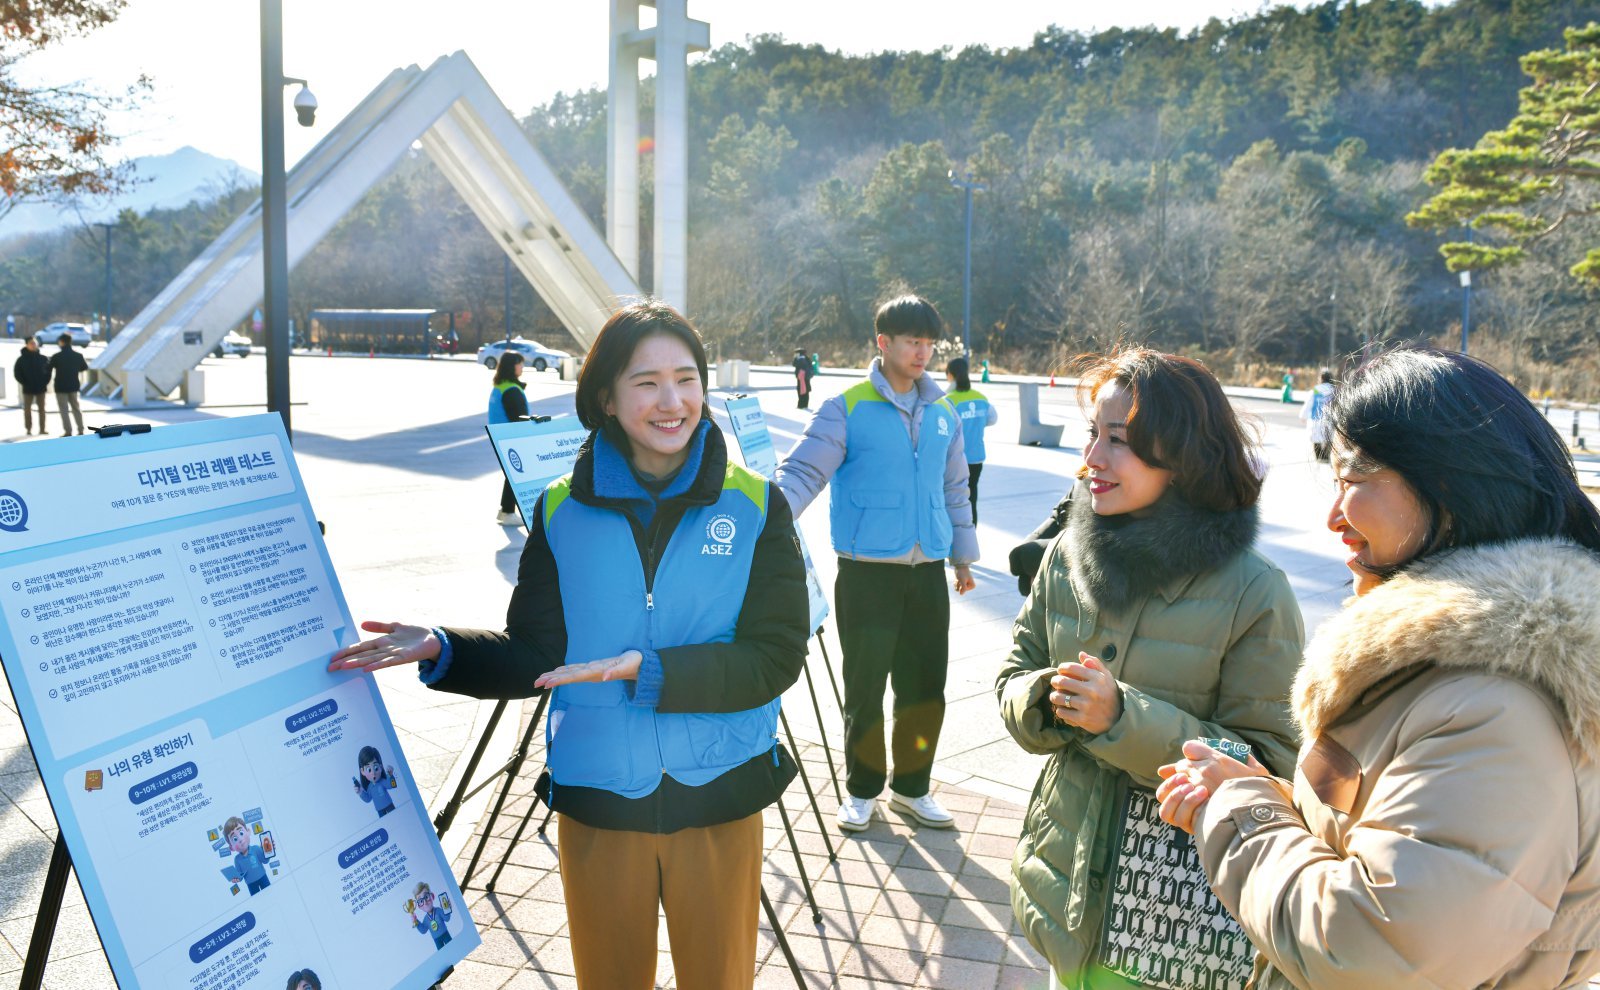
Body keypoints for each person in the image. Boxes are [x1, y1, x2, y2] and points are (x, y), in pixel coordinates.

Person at [328, 301, 808, 990]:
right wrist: (441, 648)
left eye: (686, 378)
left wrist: (655, 673)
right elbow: (535, 654)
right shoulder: (559, 508)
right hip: (599, 799)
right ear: (606, 397)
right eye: (646, 382)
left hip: (719, 797)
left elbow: (776, 656)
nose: (671, 401)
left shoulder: (757, 504)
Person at [1157, 347, 1600, 990]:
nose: (1334, 516)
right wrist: (1271, 800)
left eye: (1353, 478)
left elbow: (1366, 950)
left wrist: (1238, 807)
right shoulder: (1454, 668)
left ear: (1449, 482)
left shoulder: (1495, 707)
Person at [995, 348, 1304, 987]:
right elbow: (1012, 675)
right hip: (1065, 886)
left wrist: (1122, 718)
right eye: (1093, 435)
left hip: (1172, 915)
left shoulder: (1256, 594)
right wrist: (1045, 697)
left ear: (1183, 457)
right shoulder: (1066, 556)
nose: (1092, 459)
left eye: (1120, 442)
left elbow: (1270, 766)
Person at [774, 294, 977, 833]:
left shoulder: (943, 413)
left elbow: (955, 488)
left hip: (927, 571)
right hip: (867, 573)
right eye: (912, 341)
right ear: (882, 342)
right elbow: (803, 473)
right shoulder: (847, 407)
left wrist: (962, 556)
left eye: (930, 343)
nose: (923, 352)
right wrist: (764, 519)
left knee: (925, 685)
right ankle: (862, 790)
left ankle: (913, 788)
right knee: (865, 686)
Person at [944, 357, 998, 524]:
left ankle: (957, 533)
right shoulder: (980, 398)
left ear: (950, 375)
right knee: (972, 494)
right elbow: (992, 419)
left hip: (956, 458)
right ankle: (971, 530)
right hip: (977, 457)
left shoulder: (949, 400)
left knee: (953, 498)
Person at [488, 351, 529, 525]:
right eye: (520, 363)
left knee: (511, 473)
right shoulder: (512, 390)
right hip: (511, 437)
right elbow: (519, 417)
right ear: (512, 366)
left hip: (500, 435)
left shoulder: (500, 385)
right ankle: (507, 511)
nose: (522, 367)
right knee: (516, 473)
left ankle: (505, 509)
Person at [49, 333, 88, 436]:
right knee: (76, 408)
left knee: (64, 410)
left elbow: (48, 368)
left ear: (62, 342)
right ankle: (80, 430)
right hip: (74, 386)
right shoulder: (78, 356)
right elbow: (84, 367)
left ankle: (68, 431)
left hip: (60, 387)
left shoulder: (57, 356)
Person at [224, 815, 271, 894]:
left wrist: (268, 851)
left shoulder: (256, 849)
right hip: (251, 884)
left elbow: (265, 860)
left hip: (263, 877)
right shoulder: (237, 860)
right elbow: (240, 876)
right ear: (231, 847)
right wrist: (236, 878)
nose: (240, 839)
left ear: (248, 831)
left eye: (241, 833)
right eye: (235, 839)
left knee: (270, 893)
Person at [13, 337, 50, 435]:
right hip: (28, 388)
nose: (33, 345)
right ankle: (28, 429)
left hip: (41, 388)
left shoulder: (43, 358)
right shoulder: (21, 359)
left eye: (35, 343)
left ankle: (42, 429)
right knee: (27, 410)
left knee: (42, 409)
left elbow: (48, 372)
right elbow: (17, 373)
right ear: (26, 345)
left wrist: (44, 382)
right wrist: (24, 382)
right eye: (31, 343)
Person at [1299, 367, 1336, 462]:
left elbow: (1309, 403)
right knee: (1329, 438)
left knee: (1316, 438)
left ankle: (1319, 457)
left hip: (1316, 418)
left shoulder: (1315, 390)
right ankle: (1326, 456)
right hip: (1330, 419)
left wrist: (1303, 416)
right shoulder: (1334, 390)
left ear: (1321, 378)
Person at [353, 744, 398, 817]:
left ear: (380, 766)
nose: (373, 772)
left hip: (389, 805)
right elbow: (368, 799)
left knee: (396, 817)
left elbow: (392, 785)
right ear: (362, 771)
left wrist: (390, 775)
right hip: (380, 810)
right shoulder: (370, 787)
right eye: (369, 769)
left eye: (376, 768)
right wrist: (360, 792)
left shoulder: (382, 781)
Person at [408, 881, 453, 950]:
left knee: (452, 948)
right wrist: (416, 921)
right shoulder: (426, 919)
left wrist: (447, 909)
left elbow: (447, 918)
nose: (425, 902)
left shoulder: (438, 911)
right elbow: (423, 930)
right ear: (419, 906)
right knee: (442, 953)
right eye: (420, 901)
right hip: (436, 939)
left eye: (426, 897)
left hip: (445, 934)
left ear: (432, 896)